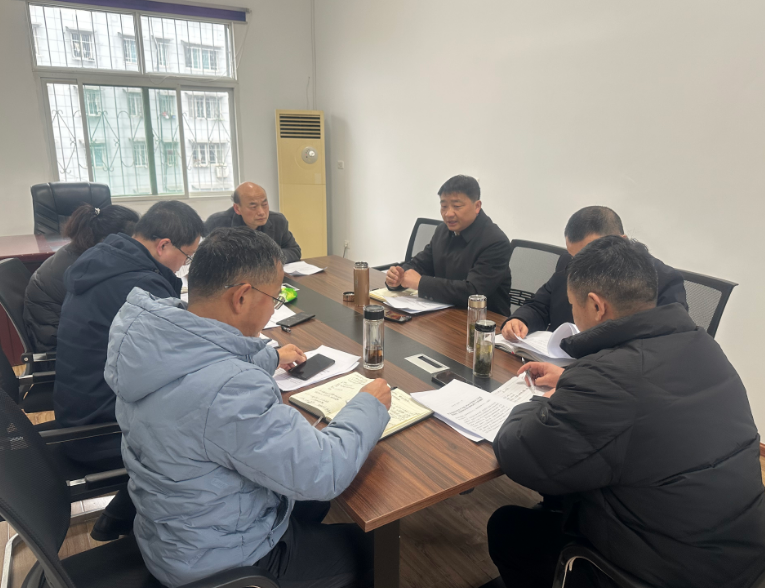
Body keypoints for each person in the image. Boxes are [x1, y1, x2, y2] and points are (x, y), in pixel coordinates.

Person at [104, 227, 391, 588]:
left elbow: (202, 373)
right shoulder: (230, 389)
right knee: (379, 551)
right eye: (275, 297)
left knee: (310, 503)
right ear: (241, 297)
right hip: (225, 562)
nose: (273, 307)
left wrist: (269, 357)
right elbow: (324, 470)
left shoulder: (152, 341)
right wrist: (369, 405)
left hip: (173, 535)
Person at [488, 236, 765, 588]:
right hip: (742, 558)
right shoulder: (703, 345)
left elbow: (521, 454)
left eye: (573, 306)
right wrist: (572, 380)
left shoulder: (607, 379)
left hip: (666, 576)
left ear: (596, 306)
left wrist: (537, 402)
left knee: (508, 529)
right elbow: (642, 397)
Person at [53, 200, 204, 541]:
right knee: (204, 430)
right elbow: (184, 360)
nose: (184, 266)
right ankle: (174, 537)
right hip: (101, 429)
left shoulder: (108, 261)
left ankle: (120, 515)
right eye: (187, 256)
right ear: (163, 246)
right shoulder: (139, 284)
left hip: (79, 411)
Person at [501, 206, 687, 342]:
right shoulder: (569, 262)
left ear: (622, 242)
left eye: (592, 254)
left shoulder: (663, 280)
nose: (582, 265)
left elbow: (664, 346)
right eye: (576, 257)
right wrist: (520, 320)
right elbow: (540, 305)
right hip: (558, 360)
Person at [385, 175, 512, 314]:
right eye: (444, 206)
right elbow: (420, 264)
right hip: (446, 313)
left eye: (457, 206)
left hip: (485, 320)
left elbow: (473, 292)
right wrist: (397, 276)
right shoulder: (443, 231)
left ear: (477, 206)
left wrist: (420, 283)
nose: (448, 213)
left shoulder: (496, 241)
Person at [23, 203, 139, 353]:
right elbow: (116, 309)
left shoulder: (80, 251)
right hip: (61, 349)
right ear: (110, 240)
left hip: (64, 335)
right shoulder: (84, 268)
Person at [204, 182, 302, 262]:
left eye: (264, 204)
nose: (261, 212)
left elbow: (294, 250)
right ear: (237, 208)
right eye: (253, 207)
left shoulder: (278, 221)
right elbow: (206, 258)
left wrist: (270, 258)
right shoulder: (217, 223)